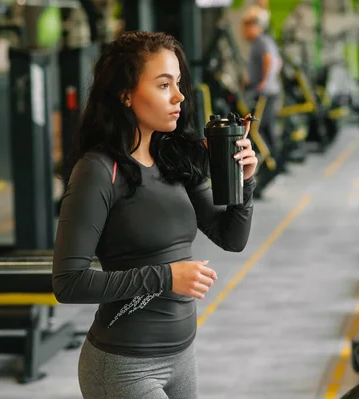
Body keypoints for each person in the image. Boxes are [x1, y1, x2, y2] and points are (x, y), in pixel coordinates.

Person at [52, 31, 258, 398]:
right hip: (124, 366)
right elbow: (68, 282)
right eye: (164, 85)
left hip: (182, 355)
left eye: (178, 84)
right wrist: (165, 277)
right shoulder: (98, 171)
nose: (179, 97)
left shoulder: (173, 158)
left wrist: (245, 184)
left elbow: (232, 238)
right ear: (126, 94)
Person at [241, 5, 283, 160]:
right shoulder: (263, 42)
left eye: (245, 25)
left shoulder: (261, 41)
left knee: (256, 128)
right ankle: (275, 161)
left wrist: (264, 82)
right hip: (268, 90)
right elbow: (279, 62)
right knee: (266, 127)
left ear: (254, 25)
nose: (243, 30)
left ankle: (271, 161)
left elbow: (270, 60)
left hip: (265, 92)